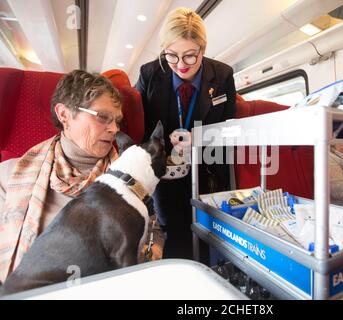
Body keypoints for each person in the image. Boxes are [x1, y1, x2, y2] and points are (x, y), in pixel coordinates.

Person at [0, 70, 163, 284]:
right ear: (65, 115)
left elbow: (153, 231)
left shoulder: (132, 175)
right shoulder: (9, 176)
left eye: (118, 121)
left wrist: (151, 251)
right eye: (102, 117)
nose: (114, 129)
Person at [136, 7, 236, 260]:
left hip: (208, 168)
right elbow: (140, 128)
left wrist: (201, 139)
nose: (180, 65)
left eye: (190, 56)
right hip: (166, 173)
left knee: (205, 236)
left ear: (202, 48)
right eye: (171, 55)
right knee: (173, 236)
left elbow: (231, 129)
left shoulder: (222, 75)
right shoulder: (150, 74)